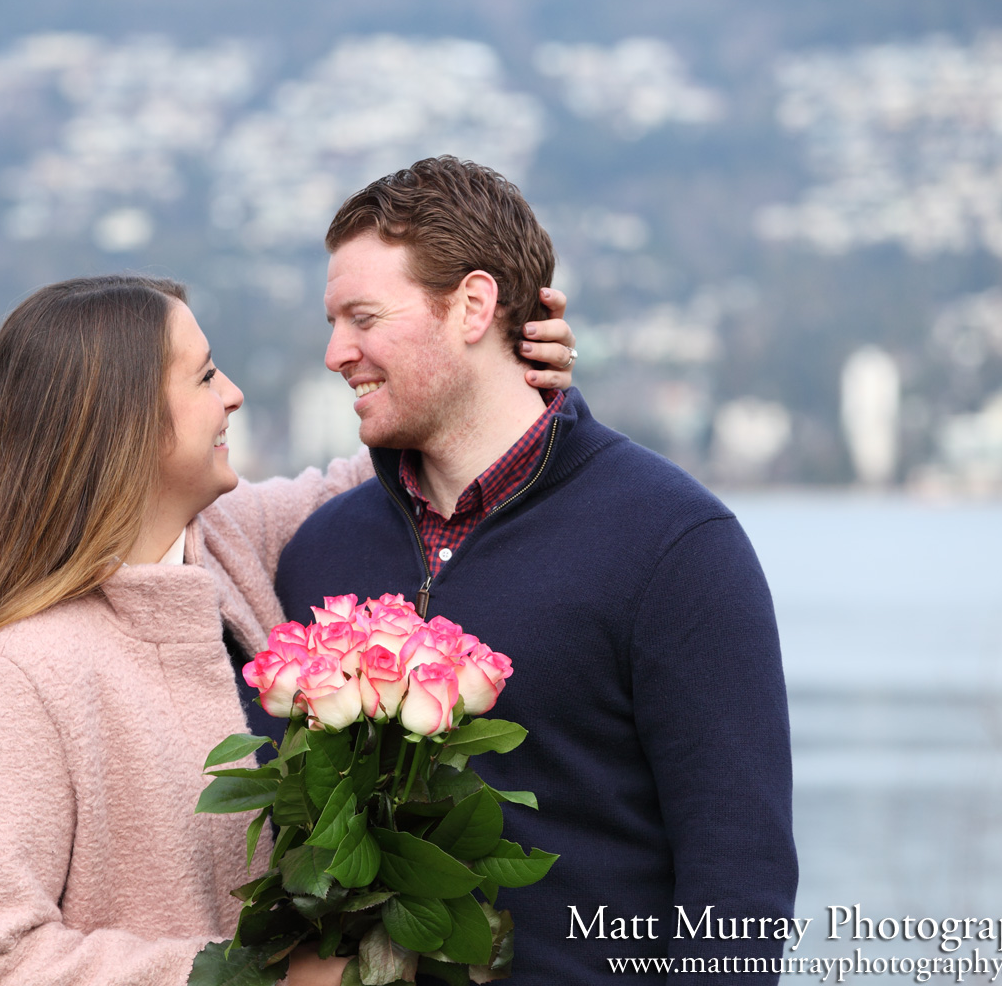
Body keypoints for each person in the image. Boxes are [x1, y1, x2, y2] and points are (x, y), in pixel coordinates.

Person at [0, 274, 578, 985]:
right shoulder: (17, 678)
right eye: (205, 375)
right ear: (124, 419)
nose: (233, 393)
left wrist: (507, 384)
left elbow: (381, 477)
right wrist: (260, 978)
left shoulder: (227, 545)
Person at [270, 157, 798, 985]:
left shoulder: (673, 544)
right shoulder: (322, 558)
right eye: (334, 321)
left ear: (473, 306)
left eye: (363, 316)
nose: (337, 351)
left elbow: (740, 883)